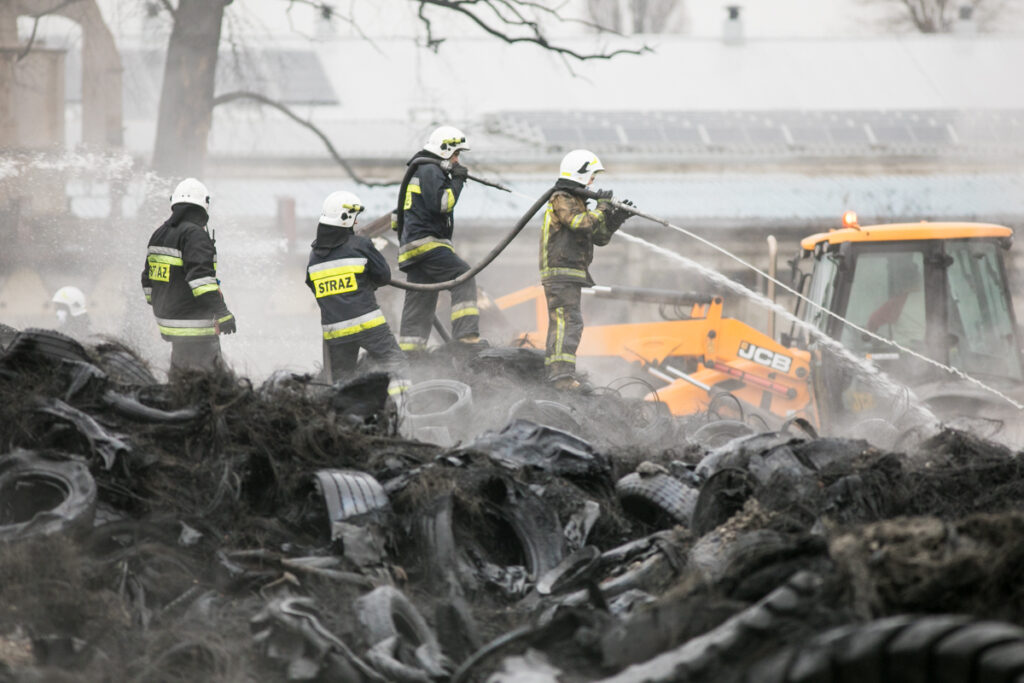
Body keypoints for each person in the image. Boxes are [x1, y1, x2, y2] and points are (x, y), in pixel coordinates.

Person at [540, 149, 632, 390]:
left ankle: (556, 371)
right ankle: (561, 376)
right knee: (568, 321)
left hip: (570, 272)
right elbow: (580, 224)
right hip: (560, 271)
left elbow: (598, 237)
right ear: (579, 174)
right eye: (591, 175)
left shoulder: (578, 202)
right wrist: (601, 208)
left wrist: (615, 219)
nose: (593, 182)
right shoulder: (562, 197)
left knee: (567, 321)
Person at [306, 191, 411, 399]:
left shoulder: (314, 256)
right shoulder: (360, 244)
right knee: (397, 365)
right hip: (368, 324)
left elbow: (312, 285)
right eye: (353, 217)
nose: (356, 222)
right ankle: (403, 410)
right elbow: (383, 275)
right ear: (344, 218)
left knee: (343, 382)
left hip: (335, 332)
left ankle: (348, 422)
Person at [394, 125, 481, 352]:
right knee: (464, 276)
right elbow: (442, 204)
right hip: (428, 244)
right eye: (456, 154)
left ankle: (411, 354)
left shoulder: (419, 170)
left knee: (420, 302)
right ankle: (466, 337)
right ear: (445, 151)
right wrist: (458, 181)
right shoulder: (431, 170)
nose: (457, 160)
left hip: (413, 248)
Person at [141, 178, 236, 372]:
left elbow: (147, 281)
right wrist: (222, 313)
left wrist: (164, 302)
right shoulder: (194, 235)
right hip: (196, 329)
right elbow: (201, 281)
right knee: (210, 388)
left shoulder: (159, 234)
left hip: (171, 326)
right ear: (204, 206)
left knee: (181, 382)